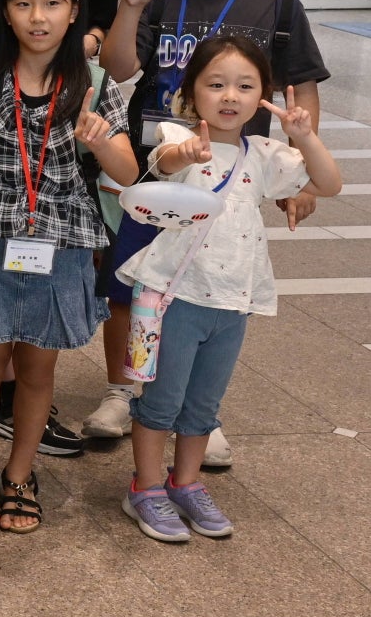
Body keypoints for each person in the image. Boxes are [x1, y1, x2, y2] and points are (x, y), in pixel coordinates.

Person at [90, 0, 330, 465]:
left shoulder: (275, 1)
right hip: (160, 166)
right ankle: (127, 386)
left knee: (213, 289)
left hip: (233, 173)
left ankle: (200, 412)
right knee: (133, 281)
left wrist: (301, 174)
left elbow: (300, 88)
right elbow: (121, 67)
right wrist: (130, 6)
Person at [0, 0, 136, 534]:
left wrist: (99, 142)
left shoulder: (95, 85)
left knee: (37, 369)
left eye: (52, 3)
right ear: (7, 11)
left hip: (62, 243)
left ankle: (19, 473)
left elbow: (127, 173)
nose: (37, 16)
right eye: (23, 3)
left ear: (74, 12)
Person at [117, 39, 341, 540]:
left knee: (203, 404)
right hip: (174, 296)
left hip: (234, 298)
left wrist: (304, 136)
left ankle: (186, 484)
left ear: (262, 95)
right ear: (192, 93)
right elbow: (164, 164)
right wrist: (186, 151)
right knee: (161, 400)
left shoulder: (264, 153)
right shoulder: (179, 136)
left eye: (245, 86)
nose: (229, 96)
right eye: (215, 84)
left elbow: (329, 184)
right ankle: (146, 488)